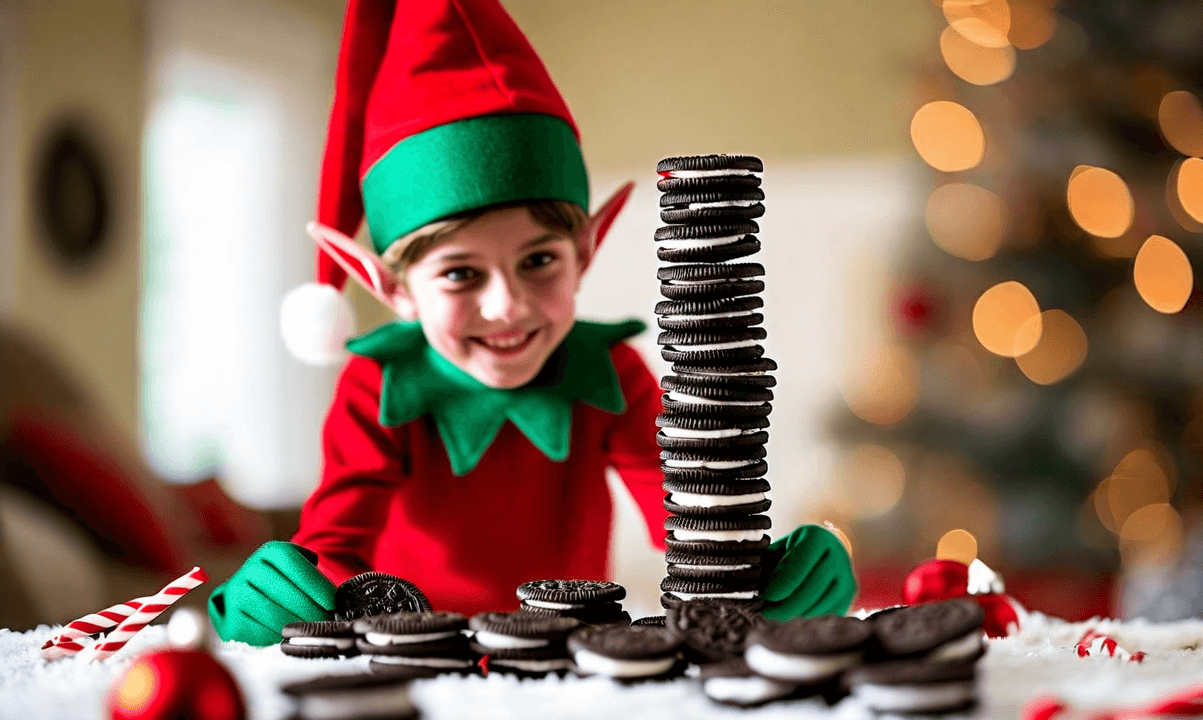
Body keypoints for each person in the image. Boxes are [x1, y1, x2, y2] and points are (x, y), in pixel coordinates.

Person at [208, 0, 855, 646]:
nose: (508, 306)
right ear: (394, 289)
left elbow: (694, 516)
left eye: (538, 260)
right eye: (461, 273)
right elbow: (331, 550)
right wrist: (272, 598)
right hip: (413, 670)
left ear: (585, 254)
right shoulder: (376, 387)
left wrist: (778, 575)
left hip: (569, 671)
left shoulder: (612, 374)